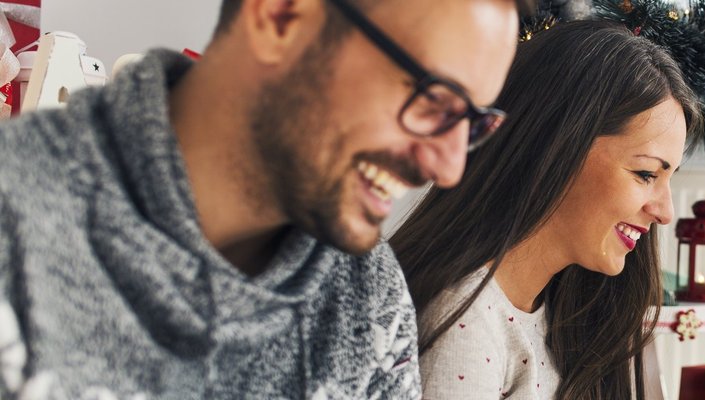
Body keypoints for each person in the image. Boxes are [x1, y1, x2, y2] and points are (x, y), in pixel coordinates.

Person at [0, 0, 524, 397]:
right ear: (280, 18)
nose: (449, 167)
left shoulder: (370, 296)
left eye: (473, 124)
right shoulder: (18, 220)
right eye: (435, 101)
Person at [390, 20, 702, 399]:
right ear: (559, 147)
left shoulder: (571, 311)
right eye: (645, 173)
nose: (665, 212)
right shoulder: (464, 321)